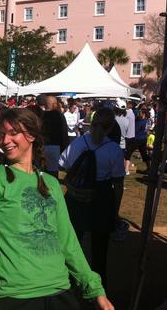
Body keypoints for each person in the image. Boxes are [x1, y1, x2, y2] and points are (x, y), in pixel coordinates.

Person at [0, 107, 114, 310]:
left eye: (14, 133)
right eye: (2, 135)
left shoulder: (51, 183)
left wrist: (95, 288)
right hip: (17, 296)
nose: (5, 141)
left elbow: (68, 242)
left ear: (31, 135)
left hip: (60, 291)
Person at [59, 107, 125, 287]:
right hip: (102, 198)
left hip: (76, 196)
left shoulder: (78, 142)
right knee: (100, 249)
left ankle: (67, 283)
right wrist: (115, 210)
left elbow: (63, 164)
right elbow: (118, 183)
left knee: (71, 242)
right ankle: (97, 287)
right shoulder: (114, 149)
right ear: (111, 126)